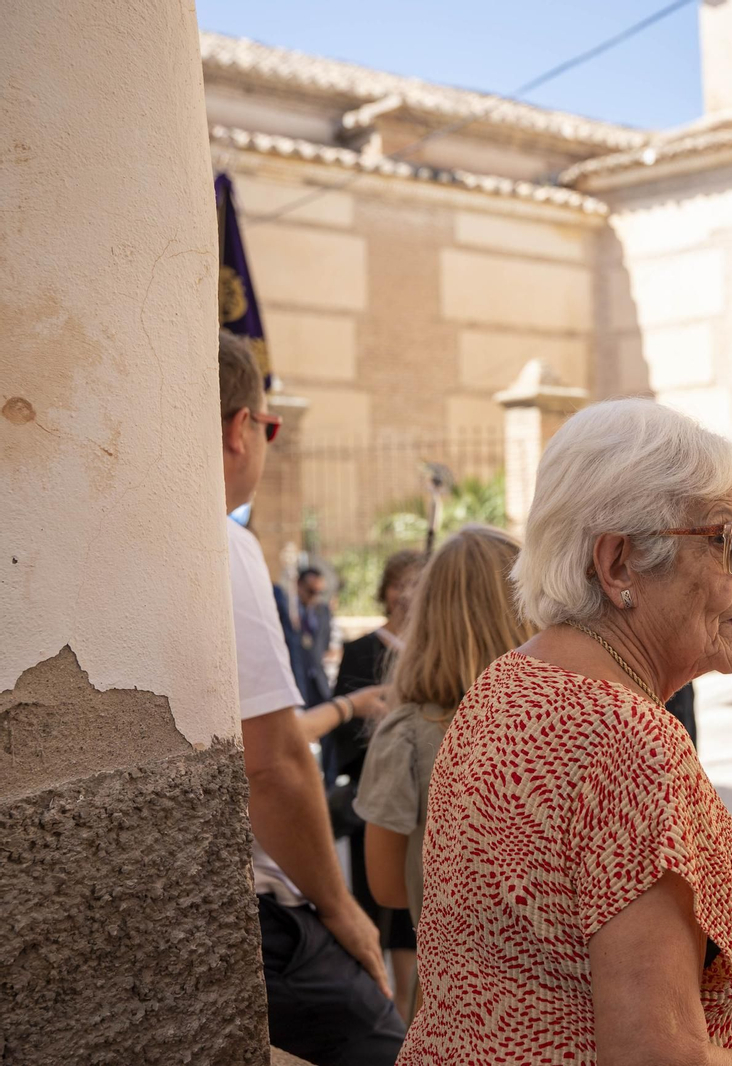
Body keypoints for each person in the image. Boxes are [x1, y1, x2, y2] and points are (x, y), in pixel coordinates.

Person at [397, 398, 732, 1066]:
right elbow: (654, 1057)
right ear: (618, 565)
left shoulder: (502, 686)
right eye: (729, 542)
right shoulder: (628, 737)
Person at [217, 330, 405, 1065]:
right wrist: (340, 909)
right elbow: (273, 763)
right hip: (266, 912)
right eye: (270, 428)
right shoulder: (223, 542)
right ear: (241, 429)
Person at [354, 528, 528, 1023]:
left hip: (456, 1003)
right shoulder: (564, 719)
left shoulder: (406, 735)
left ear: (426, 619)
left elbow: (387, 887)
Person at [330, 548, 425, 1018]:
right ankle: (378, 1006)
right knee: (375, 900)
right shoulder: (363, 650)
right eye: (399, 583)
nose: (407, 592)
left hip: (423, 796)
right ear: (386, 590)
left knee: (411, 913)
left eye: (417, 582)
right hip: (376, 790)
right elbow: (342, 726)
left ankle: (408, 1014)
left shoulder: (432, 649)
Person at [293, 566, 335, 706]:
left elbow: (325, 644)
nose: (315, 596)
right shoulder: (288, 611)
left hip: (319, 683)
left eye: (319, 592)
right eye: (311, 591)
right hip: (297, 682)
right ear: (299, 585)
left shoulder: (323, 611)